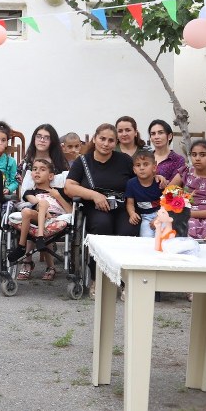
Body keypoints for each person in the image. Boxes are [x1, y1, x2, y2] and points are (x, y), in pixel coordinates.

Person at [64, 123, 136, 297]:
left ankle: (125, 280)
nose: (106, 143)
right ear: (95, 139)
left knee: (128, 230)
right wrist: (94, 195)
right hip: (95, 207)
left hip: (122, 206)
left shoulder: (125, 160)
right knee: (102, 227)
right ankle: (98, 278)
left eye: (111, 140)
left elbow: (139, 180)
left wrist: (156, 177)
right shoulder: (83, 161)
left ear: (116, 142)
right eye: (102, 139)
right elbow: (69, 187)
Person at [10, 158, 71, 281]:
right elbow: (35, 202)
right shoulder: (30, 192)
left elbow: (70, 211)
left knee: (41, 204)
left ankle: (38, 242)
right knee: (28, 210)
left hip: (55, 218)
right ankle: (23, 245)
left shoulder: (59, 192)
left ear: (51, 176)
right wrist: (44, 210)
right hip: (38, 216)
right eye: (34, 169)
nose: (37, 172)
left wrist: (58, 196)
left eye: (42, 170)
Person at [17, 124, 69, 196]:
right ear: (34, 139)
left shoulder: (59, 161)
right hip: (29, 200)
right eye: (38, 136)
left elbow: (67, 184)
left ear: (52, 141)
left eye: (46, 138)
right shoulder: (26, 162)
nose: (42, 140)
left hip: (55, 199)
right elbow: (21, 187)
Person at [125, 149, 164, 238]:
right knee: (145, 238)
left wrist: (159, 218)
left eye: (145, 164)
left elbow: (167, 204)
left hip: (161, 215)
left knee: (162, 237)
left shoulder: (159, 182)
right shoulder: (131, 183)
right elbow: (130, 204)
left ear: (154, 167)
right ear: (134, 169)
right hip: (145, 217)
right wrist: (132, 213)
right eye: (138, 165)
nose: (141, 168)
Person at [0, 122, 18, 199]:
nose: (0, 143)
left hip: (4, 196)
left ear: (7, 143)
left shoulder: (11, 161)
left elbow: (15, 181)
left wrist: (8, 189)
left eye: (3, 140)